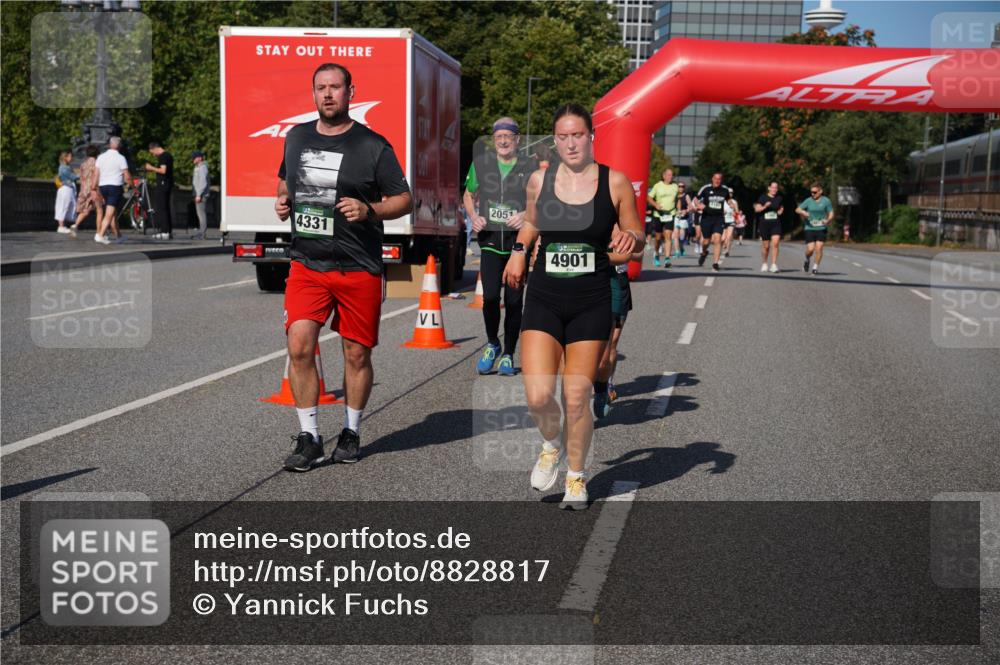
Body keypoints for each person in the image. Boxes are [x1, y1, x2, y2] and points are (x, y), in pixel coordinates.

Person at [503, 103, 643, 510]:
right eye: (562, 137)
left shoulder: (614, 182)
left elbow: (637, 233)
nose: (569, 144)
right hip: (545, 296)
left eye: (577, 135)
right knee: (538, 394)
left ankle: (577, 478)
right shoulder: (539, 180)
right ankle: (551, 444)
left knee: (577, 396)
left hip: (591, 299)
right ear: (555, 141)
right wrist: (518, 251)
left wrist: (631, 239)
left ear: (590, 137)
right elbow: (531, 223)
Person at [276, 62, 412, 472]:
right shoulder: (297, 137)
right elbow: (285, 180)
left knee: (355, 354)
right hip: (308, 262)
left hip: (358, 265)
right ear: (313, 93)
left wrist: (369, 208)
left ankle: (351, 431)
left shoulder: (373, 146)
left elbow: (403, 200)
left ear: (351, 92)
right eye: (321, 88)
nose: (328, 94)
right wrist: (283, 201)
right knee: (299, 345)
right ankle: (309, 436)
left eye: (336, 87)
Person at [463, 117, 536, 376]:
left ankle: (508, 353)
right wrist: (473, 216)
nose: (504, 141)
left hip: (518, 242)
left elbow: (542, 199)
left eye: (508, 136)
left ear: (517, 140)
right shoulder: (481, 165)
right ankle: (493, 342)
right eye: (499, 137)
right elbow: (468, 194)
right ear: (494, 142)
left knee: (515, 302)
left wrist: (526, 213)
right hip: (491, 240)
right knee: (491, 297)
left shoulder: (531, 166)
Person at [593, 244, 641, 419]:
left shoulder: (623, 223)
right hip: (588, 278)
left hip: (617, 280)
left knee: (611, 342)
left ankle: (607, 386)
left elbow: (639, 254)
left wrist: (627, 250)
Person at [694, 172, 736, 272]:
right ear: (712, 179)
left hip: (719, 218)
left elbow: (728, 199)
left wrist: (731, 204)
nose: (717, 181)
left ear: (721, 180)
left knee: (717, 240)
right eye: (715, 178)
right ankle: (704, 252)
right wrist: (699, 205)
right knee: (706, 241)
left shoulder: (724, 190)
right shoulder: (706, 188)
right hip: (706, 218)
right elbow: (696, 199)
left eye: (719, 179)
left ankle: (715, 263)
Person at [95, 136, 132, 244]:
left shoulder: (101, 157)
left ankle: (119, 236)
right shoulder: (121, 158)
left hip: (103, 186)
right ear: (119, 146)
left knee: (113, 213)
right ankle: (100, 235)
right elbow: (127, 176)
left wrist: (95, 187)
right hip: (115, 187)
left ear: (109, 144)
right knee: (109, 213)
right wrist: (133, 187)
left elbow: (96, 173)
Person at [795, 182, 834, 275]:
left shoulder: (826, 201)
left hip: (821, 227)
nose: (813, 194)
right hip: (810, 227)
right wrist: (803, 212)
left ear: (820, 191)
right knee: (810, 249)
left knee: (819, 248)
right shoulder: (808, 200)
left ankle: (815, 267)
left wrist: (827, 220)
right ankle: (807, 259)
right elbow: (797, 209)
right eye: (811, 192)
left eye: (815, 192)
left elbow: (831, 213)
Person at [647, 169, 678, 267]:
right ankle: (656, 254)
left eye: (672, 175)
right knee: (658, 237)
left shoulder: (675, 186)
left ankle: (667, 259)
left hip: (670, 214)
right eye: (668, 175)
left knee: (668, 236)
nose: (670, 177)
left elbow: (678, 199)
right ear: (663, 176)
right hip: (658, 215)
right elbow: (648, 197)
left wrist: (679, 209)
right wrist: (655, 204)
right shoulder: (657, 185)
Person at [72, 145, 103, 235]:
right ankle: (99, 232)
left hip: (84, 188)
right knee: (99, 210)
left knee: (86, 210)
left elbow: (81, 177)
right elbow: (97, 176)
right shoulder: (97, 163)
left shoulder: (83, 164)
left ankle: (75, 225)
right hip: (93, 189)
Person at [146, 142, 174, 240]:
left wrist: (151, 168)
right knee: (165, 208)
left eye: (152, 152)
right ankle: (168, 231)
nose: (153, 155)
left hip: (163, 184)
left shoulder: (163, 156)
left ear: (155, 148)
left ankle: (164, 231)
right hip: (167, 184)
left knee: (161, 208)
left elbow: (163, 170)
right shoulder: (168, 155)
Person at [755, 181, 784, 273]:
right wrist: (764, 206)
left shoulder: (779, 198)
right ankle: (764, 263)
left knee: (775, 244)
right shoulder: (763, 197)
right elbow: (757, 209)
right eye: (773, 187)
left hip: (775, 224)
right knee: (766, 246)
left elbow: (781, 207)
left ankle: (774, 265)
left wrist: (780, 211)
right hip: (764, 224)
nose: (774, 189)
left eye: (776, 188)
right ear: (769, 188)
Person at [54, 151, 79, 234]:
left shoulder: (65, 167)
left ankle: (62, 225)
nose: (71, 158)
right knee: (63, 206)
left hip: (67, 188)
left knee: (67, 206)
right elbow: (73, 177)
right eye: (70, 157)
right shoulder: (64, 168)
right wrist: (82, 173)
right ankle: (61, 226)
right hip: (65, 188)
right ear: (65, 158)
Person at [191, 151, 211, 240]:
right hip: (199, 194)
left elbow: (203, 182)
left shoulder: (202, 167)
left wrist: (199, 194)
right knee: (200, 214)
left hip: (201, 195)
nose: (193, 159)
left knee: (201, 215)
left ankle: (202, 234)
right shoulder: (198, 167)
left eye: (194, 158)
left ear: (199, 158)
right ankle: (201, 232)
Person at [672, 181, 691, 258]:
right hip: (676, 217)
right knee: (675, 235)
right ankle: (677, 252)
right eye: (679, 186)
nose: (681, 188)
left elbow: (690, 206)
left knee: (681, 237)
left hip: (684, 218)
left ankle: (682, 248)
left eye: (682, 186)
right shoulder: (674, 195)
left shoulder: (686, 196)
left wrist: (686, 211)